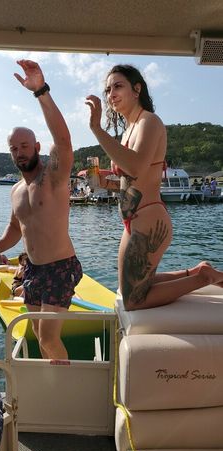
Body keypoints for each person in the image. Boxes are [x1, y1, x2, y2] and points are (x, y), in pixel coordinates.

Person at [85, 64, 223, 311]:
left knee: (132, 300)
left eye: (118, 86)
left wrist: (96, 129)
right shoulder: (129, 129)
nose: (110, 94)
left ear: (136, 89)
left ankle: (203, 279)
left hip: (149, 220)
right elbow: (131, 181)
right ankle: (198, 270)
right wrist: (102, 181)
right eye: (107, 89)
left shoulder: (150, 122)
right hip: (136, 220)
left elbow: (136, 167)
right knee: (134, 286)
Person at [0, 59, 82, 358]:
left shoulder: (53, 178)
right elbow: (14, 230)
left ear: (37, 147)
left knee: (47, 335)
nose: (19, 152)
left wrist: (41, 91)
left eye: (24, 146)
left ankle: (65, 392)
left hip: (61, 266)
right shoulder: (16, 192)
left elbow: (64, 140)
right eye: (14, 148)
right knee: (36, 333)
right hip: (32, 268)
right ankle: (53, 381)